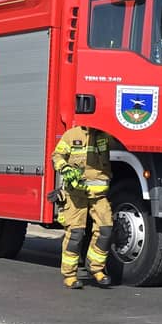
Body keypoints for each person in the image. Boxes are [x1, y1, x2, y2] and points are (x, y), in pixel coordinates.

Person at [50, 122, 113, 288]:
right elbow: (57, 155)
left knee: (106, 230)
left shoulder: (105, 136)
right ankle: (69, 275)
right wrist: (65, 168)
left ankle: (96, 267)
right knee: (75, 234)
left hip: (99, 195)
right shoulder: (72, 135)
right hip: (75, 195)